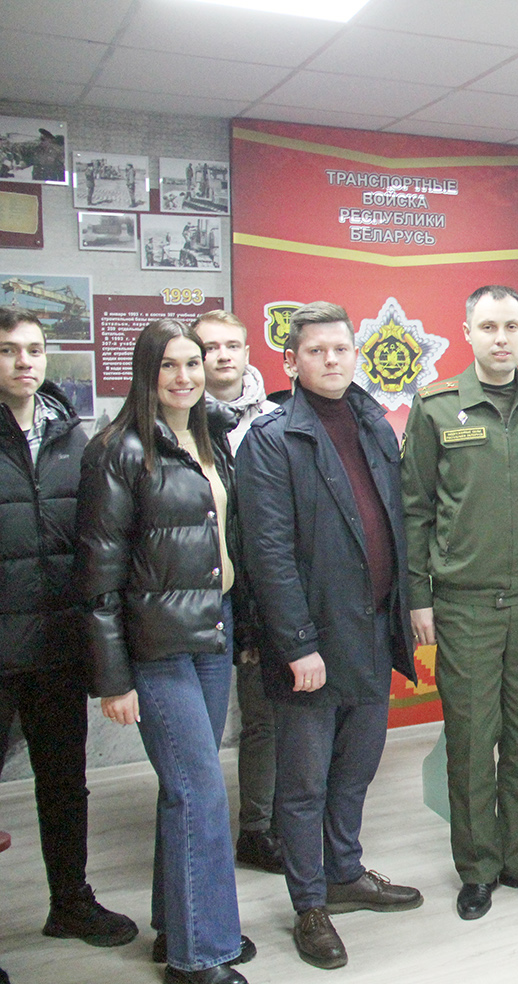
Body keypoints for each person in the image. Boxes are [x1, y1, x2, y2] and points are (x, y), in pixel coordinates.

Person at [235, 303, 421, 970]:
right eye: (316, 351)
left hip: (371, 629)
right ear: (291, 361)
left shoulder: (373, 423)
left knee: (355, 771)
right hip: (312, 642)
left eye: (341, 348)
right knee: (304, 784)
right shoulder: (271, 438)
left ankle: (344, 872)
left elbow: (395, 523)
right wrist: (296, 644)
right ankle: (309, 903)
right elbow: (267, 553)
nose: (332, 360)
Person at [77, 319, 251, 984]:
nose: (184, 376)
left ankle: (181, 927)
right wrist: (112, 679)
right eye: (169, 365)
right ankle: (199, 956)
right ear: (146, 374)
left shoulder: (210, 438)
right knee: (200, 793)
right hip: (157, 648)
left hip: (211, 632)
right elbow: (98, 579)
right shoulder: (117, 450)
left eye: (193, 363)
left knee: (184, 791)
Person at [401, 286, 518, 919]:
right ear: (467, 333)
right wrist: (418, 595)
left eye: (510, 326)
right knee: (473, 740)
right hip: (464, 603)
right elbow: (415, 510)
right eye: (488, 327)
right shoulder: (436, 409)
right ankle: (478, 868)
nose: (500, 338)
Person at [0, 307, 137, 950]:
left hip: (57, 645)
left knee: (63, 785)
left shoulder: (72, 437)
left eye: (33, 349)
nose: (24, 361)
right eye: (9, 350)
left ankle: (70, 903)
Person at [193, 310, 282, 875]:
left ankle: (258, 829)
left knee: (264, 717)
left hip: (259, 589)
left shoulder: (274, 419)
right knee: (197, 729)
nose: (222, 356)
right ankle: (198, 838)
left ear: (249, 353)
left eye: (232, 345)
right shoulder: (176, 421)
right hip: (197, 594)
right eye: (209, 347)